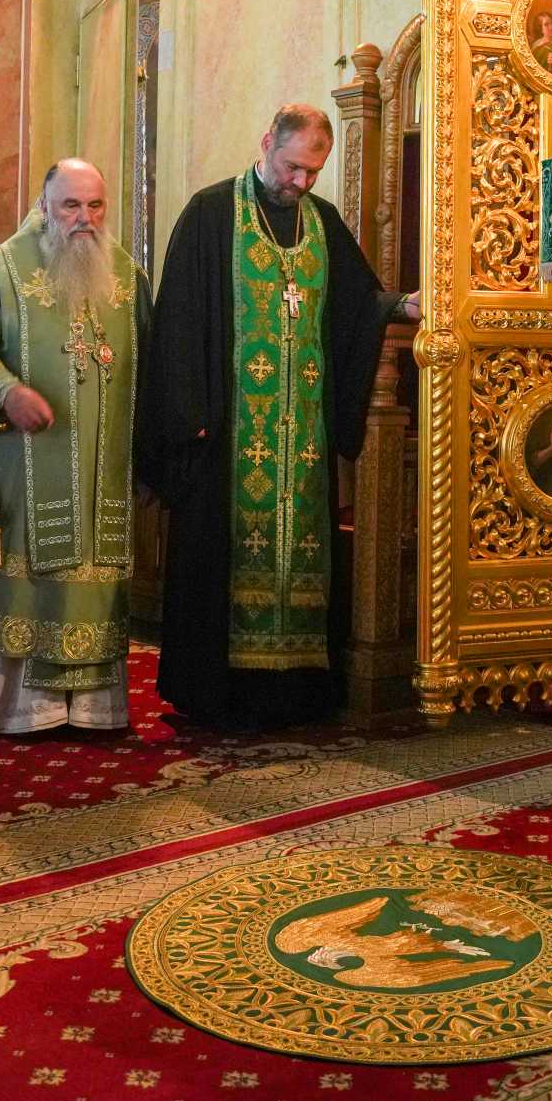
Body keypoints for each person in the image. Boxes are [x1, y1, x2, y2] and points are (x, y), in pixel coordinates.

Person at [138, 106, 417, 729]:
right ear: (267, 143)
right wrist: (188, 415)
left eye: (313, 171)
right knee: (221, 556)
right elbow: (178, 320)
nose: (301, 182)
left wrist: (400, 304)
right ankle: (219, 693)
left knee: (303, 553)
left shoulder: (321, 221)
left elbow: (357, 302)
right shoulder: (212, 214)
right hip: (227, 435)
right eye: (292, 167)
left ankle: (296, 690)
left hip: (303, 440)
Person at [0, 158, 148, 737]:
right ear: (45, 206)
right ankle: (24, 710)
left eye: (95, 206)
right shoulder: (4, 267)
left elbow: (152, 364)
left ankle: (92, 709)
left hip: (106, 465)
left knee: (96, 568)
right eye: (70, 205)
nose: (84, 218)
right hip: (28, 460)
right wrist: (6, 392)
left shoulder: (127, 275)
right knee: (32, 568)